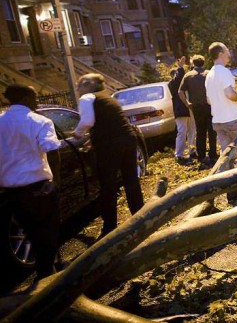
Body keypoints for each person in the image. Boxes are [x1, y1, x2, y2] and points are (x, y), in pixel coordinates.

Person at [0, 84, 61, 278]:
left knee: (31, 233)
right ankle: (47, 277)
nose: (37, 101)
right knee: (48, 232)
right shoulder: (40, 121)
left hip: (11, 191)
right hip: (38, 188)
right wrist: (55, 180)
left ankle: (46, 271)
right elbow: (52, 149)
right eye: (34, 97)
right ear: (26, 98)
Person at [73, 73, 144, 237]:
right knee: (131, 180)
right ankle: (140, 217)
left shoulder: (87, 98)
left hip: (110, 145)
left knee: (108, 185)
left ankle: (110, 226)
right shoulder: (108, 97)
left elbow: (87, 122)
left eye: (79, 86)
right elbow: (108, 122)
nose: (77, 90)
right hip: (128, 138)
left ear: (87, 85)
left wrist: (77, 134)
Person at [205, 42, 237, 203]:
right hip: (232, 118)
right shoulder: (224, 72)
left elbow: (208, 100)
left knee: (227, 156)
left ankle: (232, 192)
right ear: (220, 53)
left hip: (218, 121)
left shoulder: (209, 75)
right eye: (227, 51)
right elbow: (229, 94)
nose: (229, 55)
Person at [179, 55, 218, 167]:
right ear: (203, 63)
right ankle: (213, 154)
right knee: (212, 131)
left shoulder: (188, 76)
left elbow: (180, 92)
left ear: (193, 63)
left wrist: (187, 103)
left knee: (200, 131)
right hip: (210, 105)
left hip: (196, 107)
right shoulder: (209, 73)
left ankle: (201, 156)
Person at [168, 57, 196, 164]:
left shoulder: (183, 82)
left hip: (189, 109)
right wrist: (180, 67)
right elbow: (178, 80)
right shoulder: (172, 84)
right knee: (182, 132)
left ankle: (192, 150)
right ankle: (179, 155)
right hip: (181, 110)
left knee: (192, 130)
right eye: (175, 74)